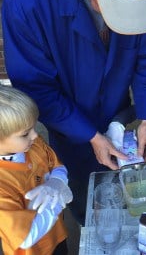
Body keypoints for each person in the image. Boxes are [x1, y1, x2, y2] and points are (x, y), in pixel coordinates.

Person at [1, 0, 146, 224]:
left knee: (118, 176)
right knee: (80, 183)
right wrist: (88, 134)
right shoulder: (27, 2)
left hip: (116, 107)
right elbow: (36, 86)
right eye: (119, 4)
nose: (130, 18)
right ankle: (85, 219)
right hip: (69, 121)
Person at [0, 85, 73, 255]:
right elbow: (25, 238)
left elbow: (57, 165)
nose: (35, 135)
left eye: (34, 127)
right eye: (25, 133)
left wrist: (57, 182)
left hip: (57, 234)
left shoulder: (33, 146)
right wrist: (56, 204)